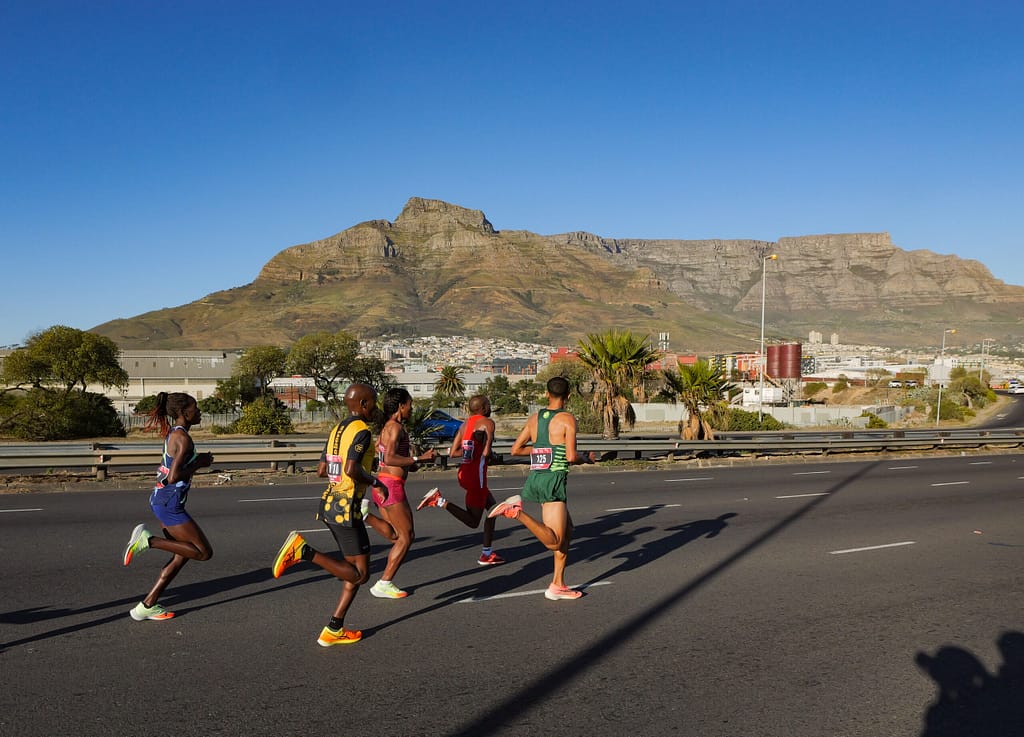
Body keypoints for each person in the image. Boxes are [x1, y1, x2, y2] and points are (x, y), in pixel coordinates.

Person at [270, 382, 391, 646]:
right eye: (372, 402)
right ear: (362, 404)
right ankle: (304, 552)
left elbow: (322, 470)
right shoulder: (361, 432)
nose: (374, 407)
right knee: (360, 574)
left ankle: (334, 628)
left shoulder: (337, 430)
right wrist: (376, 482)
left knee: (353, 572)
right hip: (346, 508)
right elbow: (351, 469)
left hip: (330, 504)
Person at [489, 376, 594, 600]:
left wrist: (540, 450)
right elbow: (571, 456)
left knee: (568, 532)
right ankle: (515, 512)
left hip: (536, 477)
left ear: (547, 394)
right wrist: (586, 458)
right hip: (553, 479)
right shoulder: (568, 419)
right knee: (555, 541)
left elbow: (516, 450)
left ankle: (558, 585)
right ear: (569, 396)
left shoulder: (535, 418)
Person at [121, 392, 215, 621]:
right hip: (170, 503)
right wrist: (200, 464)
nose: (200, 411)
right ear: (184, 412)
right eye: (196, 407)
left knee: (181, 555)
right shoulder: (183, 438)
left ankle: (146, 606)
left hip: (162, 500)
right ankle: (148, 541)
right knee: (203, 553)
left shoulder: (175, 433)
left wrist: (195, 462)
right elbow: (174, 477)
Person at [417, 394, 505, 565]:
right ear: (484, 408)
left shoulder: (465, 425)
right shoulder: (488, 423)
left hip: (464, 472)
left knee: (493, 510)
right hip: (476, 477)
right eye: (488, 405)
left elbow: (453, 453)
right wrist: (490, 455)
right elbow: (487, 452)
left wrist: (471, 453)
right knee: (473, 522)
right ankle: (440, 501)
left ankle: (487, 552)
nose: (490, 407)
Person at [369, 387, 436, 598]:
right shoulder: (395, 428)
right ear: (401, 406)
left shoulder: (387, 428)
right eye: (410, 405)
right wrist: (419, 459)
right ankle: (384, 582)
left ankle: (364, 515)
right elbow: (389, 458)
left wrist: (413, 461)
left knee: (397, 536)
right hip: (391, 486)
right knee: (407, 537)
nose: (411, 409)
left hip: (382, 484)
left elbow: (389, 458)